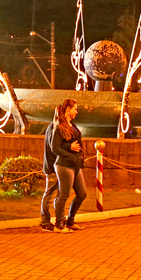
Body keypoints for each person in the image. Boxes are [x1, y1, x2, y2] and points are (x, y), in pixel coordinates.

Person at [52, 98, 87, 232]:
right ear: (68, 109)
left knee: (82, 193)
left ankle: (70, 220)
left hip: (75, 165)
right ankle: (59, 223)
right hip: (64, 165)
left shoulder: (72, 125)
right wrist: (69, 149)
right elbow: (54, 147)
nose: (77, 112)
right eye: (75, 109)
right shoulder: (59, 125)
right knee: (64, 195)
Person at [40, 100, 68, 232]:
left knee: (56, 194)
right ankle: (45, 221)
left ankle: (58, 218)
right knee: (50, 194)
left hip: (53, 166)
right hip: (52, 167)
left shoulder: (51, 127)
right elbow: (54, 149)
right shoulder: (54, 128)